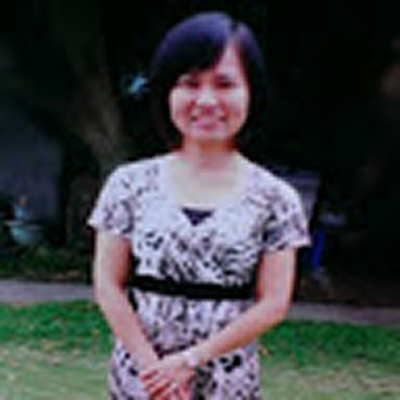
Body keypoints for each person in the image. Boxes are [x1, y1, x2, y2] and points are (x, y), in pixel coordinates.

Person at [88, 11, 310, 400]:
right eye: (190, 84)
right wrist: (152, 370)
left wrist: (190, 360)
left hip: (228, 382)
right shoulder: (129, 185)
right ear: (166, 92)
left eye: (225, 84)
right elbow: (108, 284)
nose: (207, 100)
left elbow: (273, 303)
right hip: (140, 379)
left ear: (251, 92)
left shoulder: (276, 199)